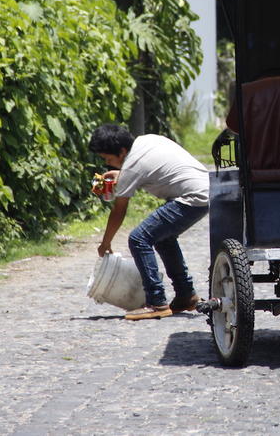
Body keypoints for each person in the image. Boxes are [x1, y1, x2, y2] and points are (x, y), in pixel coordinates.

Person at [89, 124, 209, 320]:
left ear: (121, 151)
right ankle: (186, 295)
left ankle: (156, 302)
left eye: (107, 158)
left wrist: (106, 243)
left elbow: (119, 211)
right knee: (163, 238)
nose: (107, 163)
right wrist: (123, 174)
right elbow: (145, 168)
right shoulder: (146, 141)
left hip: (192, 197)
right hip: (206, 191)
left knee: (139, 238)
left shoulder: (133, 165)